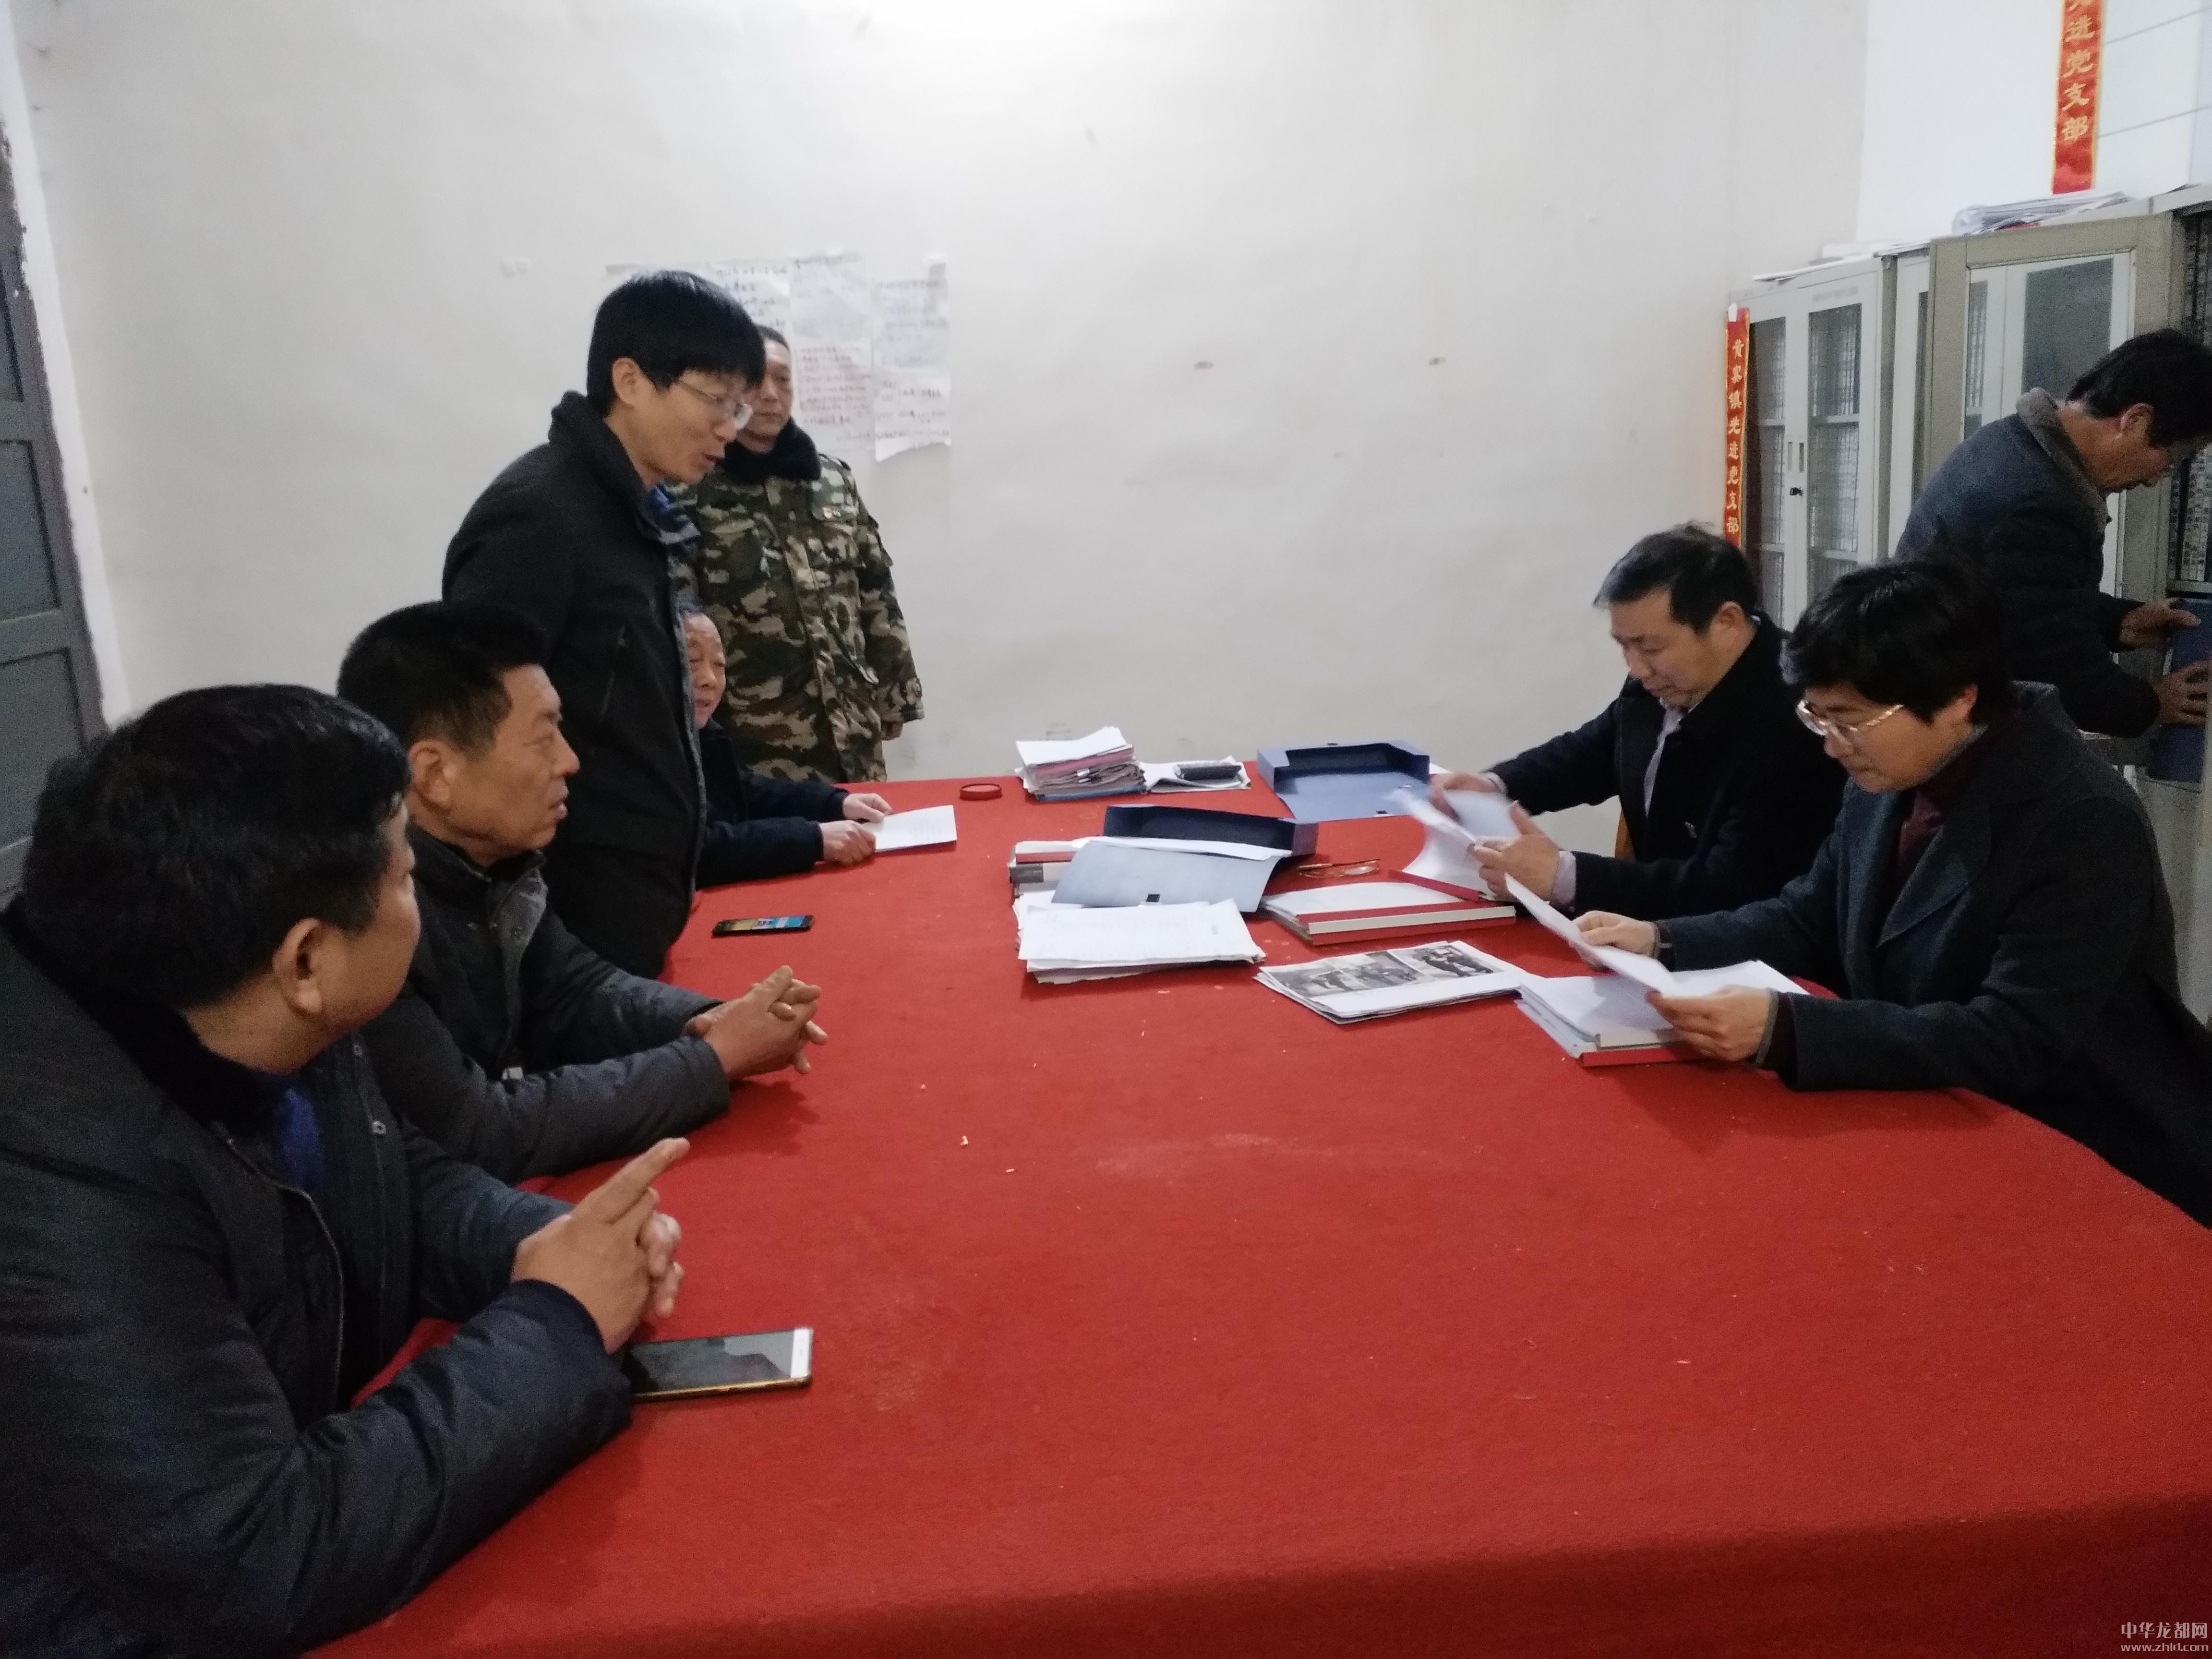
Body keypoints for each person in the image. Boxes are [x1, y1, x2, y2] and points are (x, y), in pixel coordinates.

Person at [0, 684, 693, 1654]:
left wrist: (552, 1244)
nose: (419, 900)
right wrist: (558, 1322)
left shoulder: (230, 989)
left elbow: (395, 1176)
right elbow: (255, 1555)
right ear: (306, 961)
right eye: (406, 874)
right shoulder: (57, 1174)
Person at [1580, 561, 2212, 1224]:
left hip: (2081, 1148)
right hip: (1936, 1106)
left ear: (1959, 698)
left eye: (1849, 721)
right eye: (1819, 717)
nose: (1833, 748)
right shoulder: (1894, 767)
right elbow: (1810, 914)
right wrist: (1663, 940)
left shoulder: (2080, 819)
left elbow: (2014, 1037)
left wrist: (1785, 1028)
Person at [337, 602, 828, 1181]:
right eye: (543, 738)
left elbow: (576, 991)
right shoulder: (364, 916)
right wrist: (714, 1057)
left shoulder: (495, 860)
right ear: (436, 774)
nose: (570, 761)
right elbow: (480, 1129)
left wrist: (714, 1018)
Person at [446, 269, 766, 976]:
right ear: (630, 380)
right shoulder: (541, 514)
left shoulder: (631, 512)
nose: (728, 429)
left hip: (632, 895)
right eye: (716, 401)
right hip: (573, 903)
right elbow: (480, 724)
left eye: (739, 409)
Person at [1429, 525, 1844, 920]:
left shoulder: (1799, 720)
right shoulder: (1666, 680)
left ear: (1726, 623)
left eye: (1651, 648)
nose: (1637, 668)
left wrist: (1567, 876)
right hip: (1651, 928)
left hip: (1730, 949)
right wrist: (1495, 787)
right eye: (1624, 646)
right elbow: (1595, 751)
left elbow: (1733, 888)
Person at [1897, 327, 2212, 738]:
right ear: (2135, 421)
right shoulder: (2038, 501)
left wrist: (2121, 621)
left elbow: (2021, 600)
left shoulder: (2008, 440)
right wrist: (2153, 703)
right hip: (1942, 724)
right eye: (2170, 459)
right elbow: (2057, 666)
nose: (2157, 478)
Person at [672, 325, 925, 784]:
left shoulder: (832, 480)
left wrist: (896, 695)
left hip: (850, 722)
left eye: (784, 380)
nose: (771, 395)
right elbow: (680, 616)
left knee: (867, 826)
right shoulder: (692, 489)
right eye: (757, 380)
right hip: (754, 733)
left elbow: (875, 587)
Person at [681, 609, 890, 885]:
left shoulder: (703, 733)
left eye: (719, 664)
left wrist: (835, 804)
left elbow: (745, 793)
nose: (709, 679)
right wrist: (812, 839)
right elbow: (693, 851)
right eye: (692, 662)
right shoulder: (641, 750)